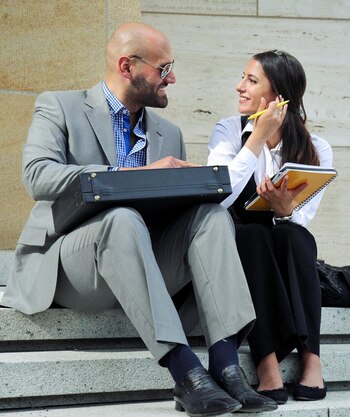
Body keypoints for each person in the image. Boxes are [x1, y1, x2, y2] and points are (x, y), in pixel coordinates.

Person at [0, 23, 277, 416]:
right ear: (128, 66)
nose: (173, 78)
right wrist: (130, 176)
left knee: (211, 216)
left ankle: (227, 366)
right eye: (164, 69)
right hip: (73, 263)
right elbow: (38, 175)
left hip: (144, 263)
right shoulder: (59, 105)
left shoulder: (169, 132)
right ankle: (185, 373)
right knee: (122, 219)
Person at [207, 50, 333, 403]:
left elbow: (304, 218)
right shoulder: (229, 131)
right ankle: (267, 364)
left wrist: (285, 210)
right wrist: (257, 138)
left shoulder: (316, 148)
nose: (239, 87)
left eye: (251, 80)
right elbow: (218, 197)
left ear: (279, 95)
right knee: (252, 235)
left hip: (286, 241)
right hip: (242, 241)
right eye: (242, 77)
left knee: (296, 236)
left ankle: (311, 360)